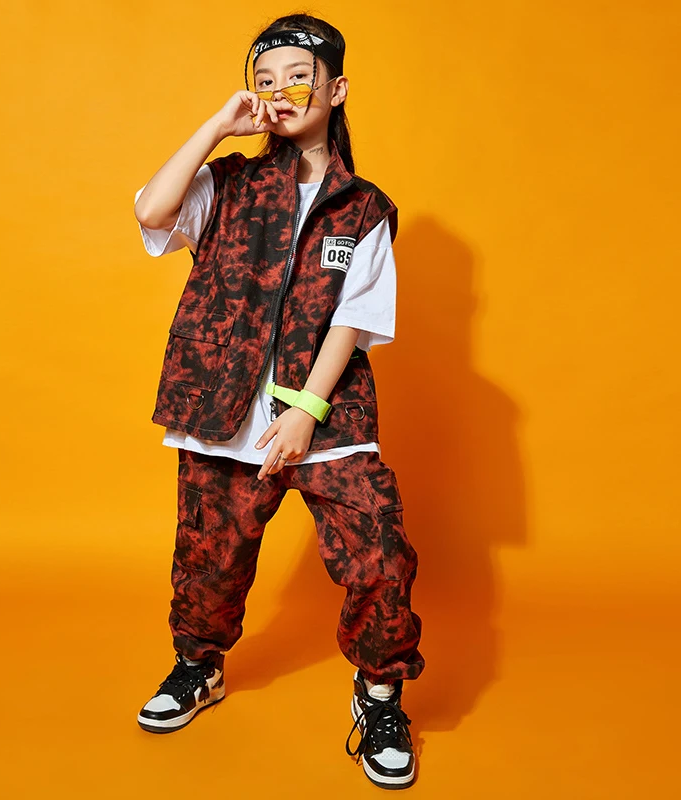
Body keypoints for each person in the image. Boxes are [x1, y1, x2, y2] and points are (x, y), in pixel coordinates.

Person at [132, 14, 426, 791]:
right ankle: (199, 667)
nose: (280, 90)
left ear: (337, 89)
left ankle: (380, 698)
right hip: (220, 411)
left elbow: (354, 319)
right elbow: (152, 213)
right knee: (208, 562)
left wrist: (304, 412)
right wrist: (217, 127)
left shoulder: (363, 208)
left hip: (328, 414)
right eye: (265, 80)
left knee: (380, 554)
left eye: (298, 76)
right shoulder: (227, 184)